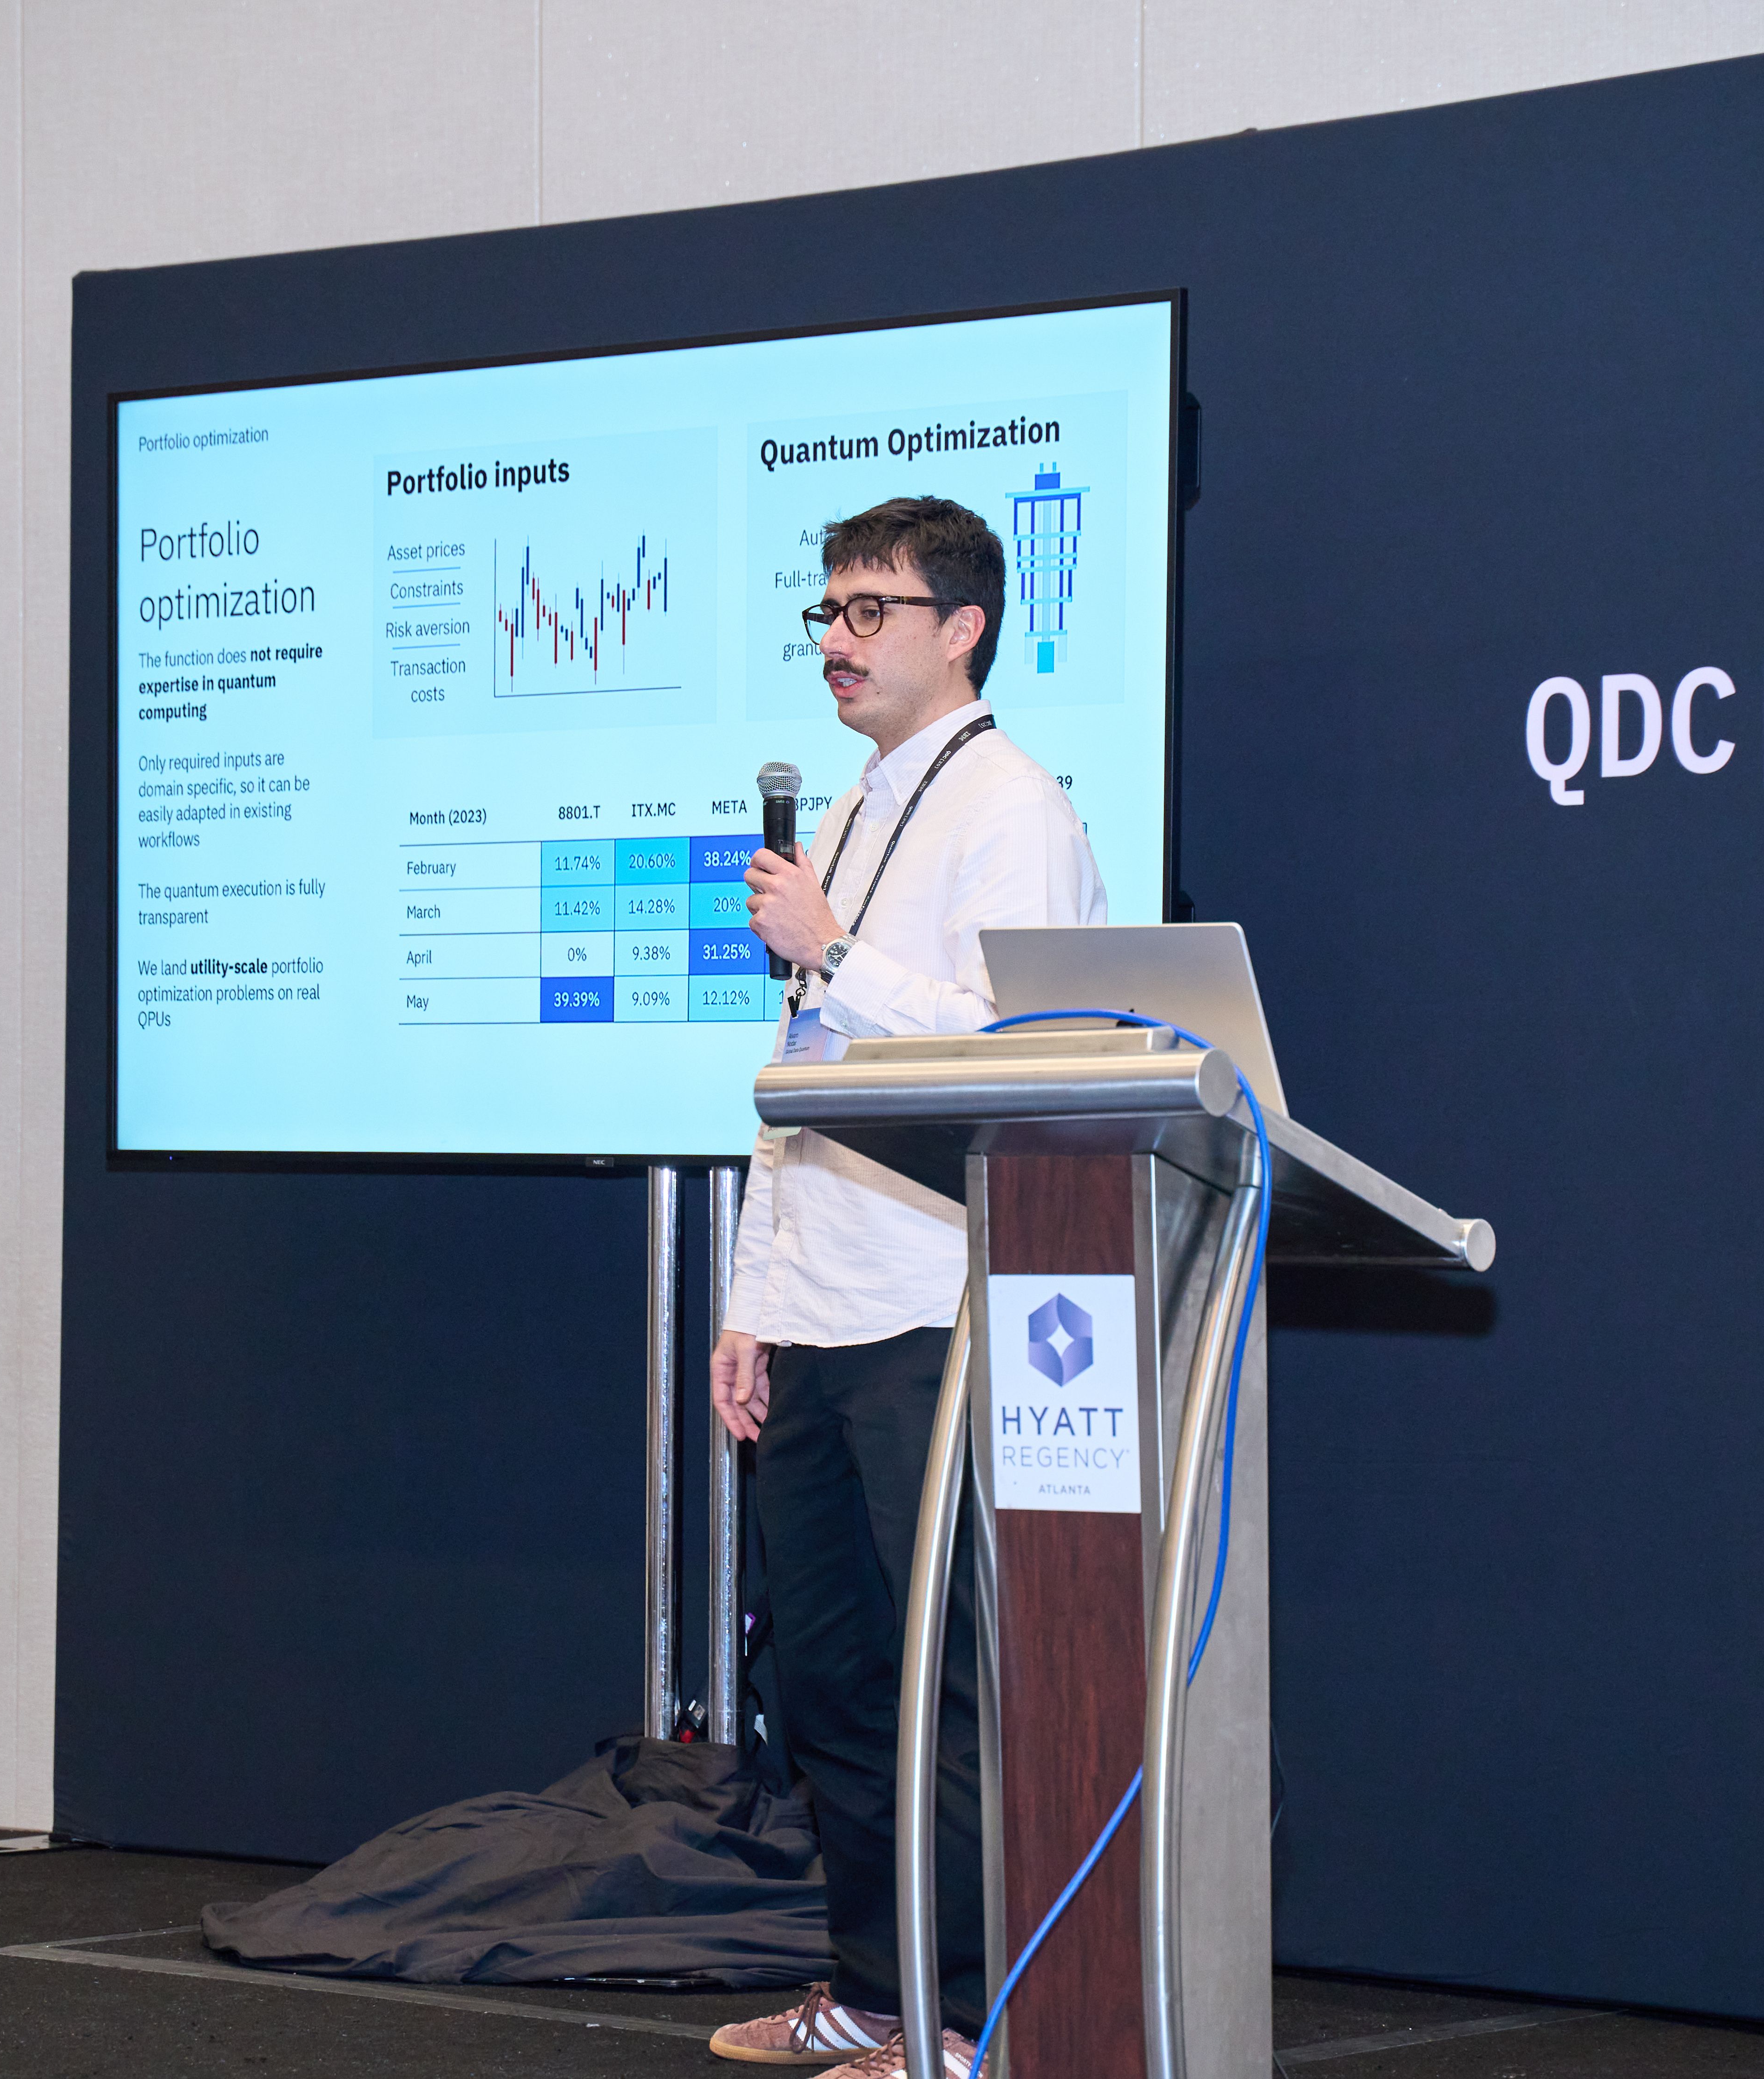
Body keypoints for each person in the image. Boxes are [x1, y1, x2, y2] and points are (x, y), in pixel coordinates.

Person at [704, 496, 1107, 2079]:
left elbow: (1023, 1051)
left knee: (950, 1696)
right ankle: (876, 1994)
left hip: (935, 1306)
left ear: (966, 628)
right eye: (827, 610)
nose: (837, 638)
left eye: (871, 609)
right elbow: (804, 1071)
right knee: (834, 1688)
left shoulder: (1015, 810)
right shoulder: (861, 811)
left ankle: (969, 2020)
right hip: (818, 1306)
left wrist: (836, 945)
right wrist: (751, 1293)